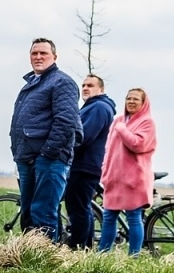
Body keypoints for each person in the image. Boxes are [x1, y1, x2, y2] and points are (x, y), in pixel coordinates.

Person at [8, 38, 80, 242]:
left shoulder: (62, 82)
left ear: (54, 57)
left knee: (43, 213)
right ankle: (29, 253)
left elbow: (66, 122)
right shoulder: (32, 83)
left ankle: (44, 256)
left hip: (49, 159)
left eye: (43, 53)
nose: (38, 57)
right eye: (34, 53)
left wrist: (48, 153)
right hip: (26, 156)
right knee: (29, 213)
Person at [100, 88, 156, 254]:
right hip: (114, 178)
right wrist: (105, 170)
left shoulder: (147, 122)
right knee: (108, 216)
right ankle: (102, 254)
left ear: (143, 103)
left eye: (136, 99)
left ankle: (133, 256)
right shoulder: (118, 120)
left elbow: (138, 145)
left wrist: (123, 130)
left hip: (134, 180)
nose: (131, 102)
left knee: (133, 217)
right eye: (128, 98)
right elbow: (108, 148)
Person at [63, 74, 116, 249]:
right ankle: (85, 247)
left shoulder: (98, 107)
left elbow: (84, 136)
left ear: (101, 89)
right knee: (82, 207)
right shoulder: (93, 106)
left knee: (77, 208)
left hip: (85, 165)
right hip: (86, 164)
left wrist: (65, 148)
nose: (85, 88)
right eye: (84, 85)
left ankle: (77, 247)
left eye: (90, 85)